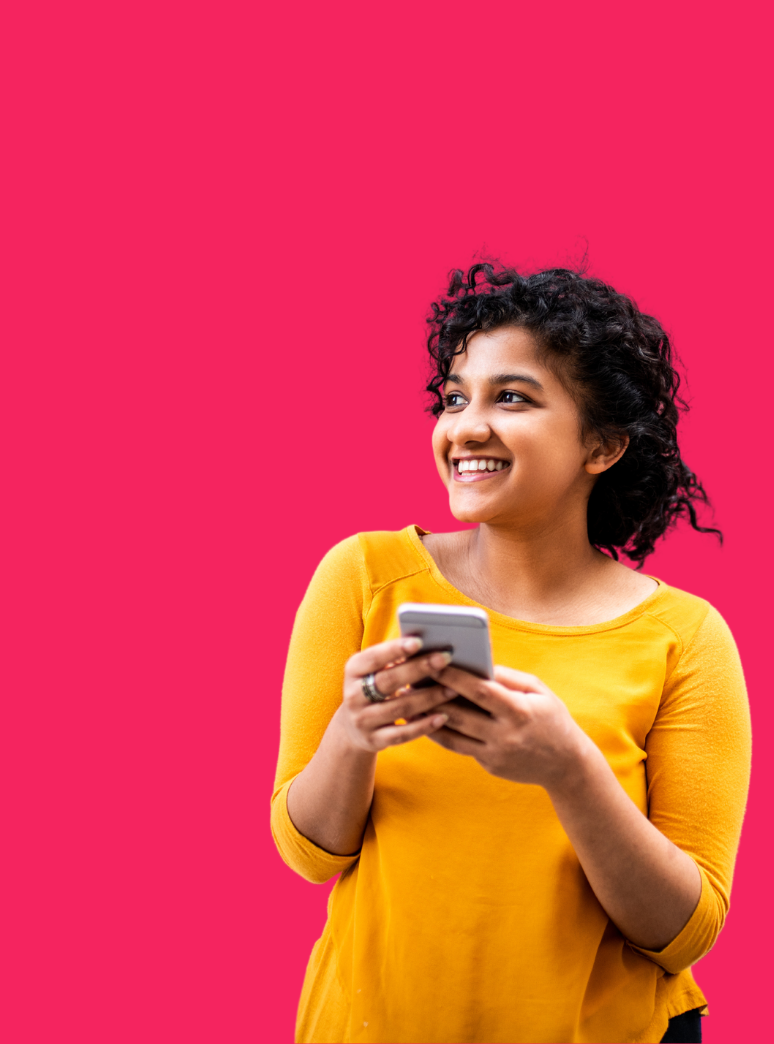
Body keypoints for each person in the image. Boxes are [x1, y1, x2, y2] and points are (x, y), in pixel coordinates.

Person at [271, 264, 751, 1044]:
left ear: (602, 446)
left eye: (513, 398)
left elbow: (683, 931)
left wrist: (570, 770)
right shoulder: (364, 577)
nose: (465, 427)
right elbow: (308, 852)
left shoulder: (686, 638)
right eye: (455, 398)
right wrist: (352, 737)